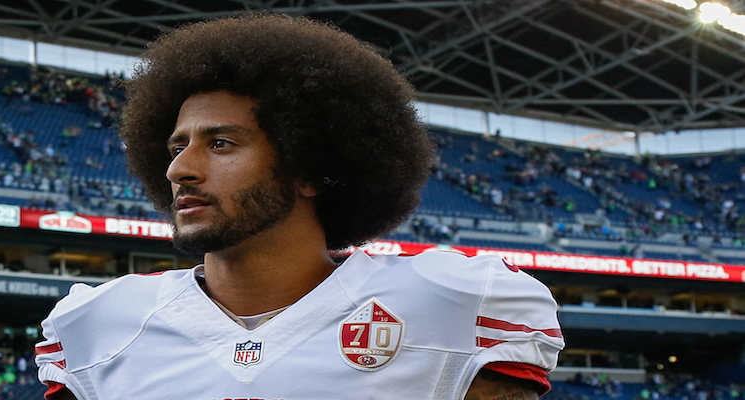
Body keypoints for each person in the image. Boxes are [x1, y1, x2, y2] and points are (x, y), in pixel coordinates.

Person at [35, 15, 563, 400]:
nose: (180, 170)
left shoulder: (450, 306)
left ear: (310, 167)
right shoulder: (99, 325)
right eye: (177, 147)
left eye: (220, 144)